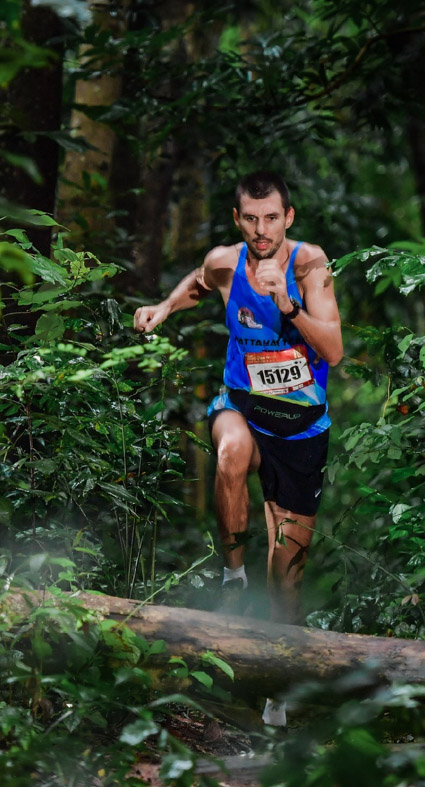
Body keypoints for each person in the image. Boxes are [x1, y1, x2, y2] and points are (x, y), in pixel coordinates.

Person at [133, 170, 343, 629]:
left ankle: (274, 698)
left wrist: (286, 303)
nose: (261, 230)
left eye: (271, 218)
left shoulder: (310, 265)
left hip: (300, 425)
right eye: (251, 219)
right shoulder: (227, 262)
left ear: (288, 217)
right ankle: (233, 579)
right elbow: (200, 280)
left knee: (286, 585)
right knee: (230, 452)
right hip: (243, 407)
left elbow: (333, 350)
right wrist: (165, 307)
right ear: (237, 219)